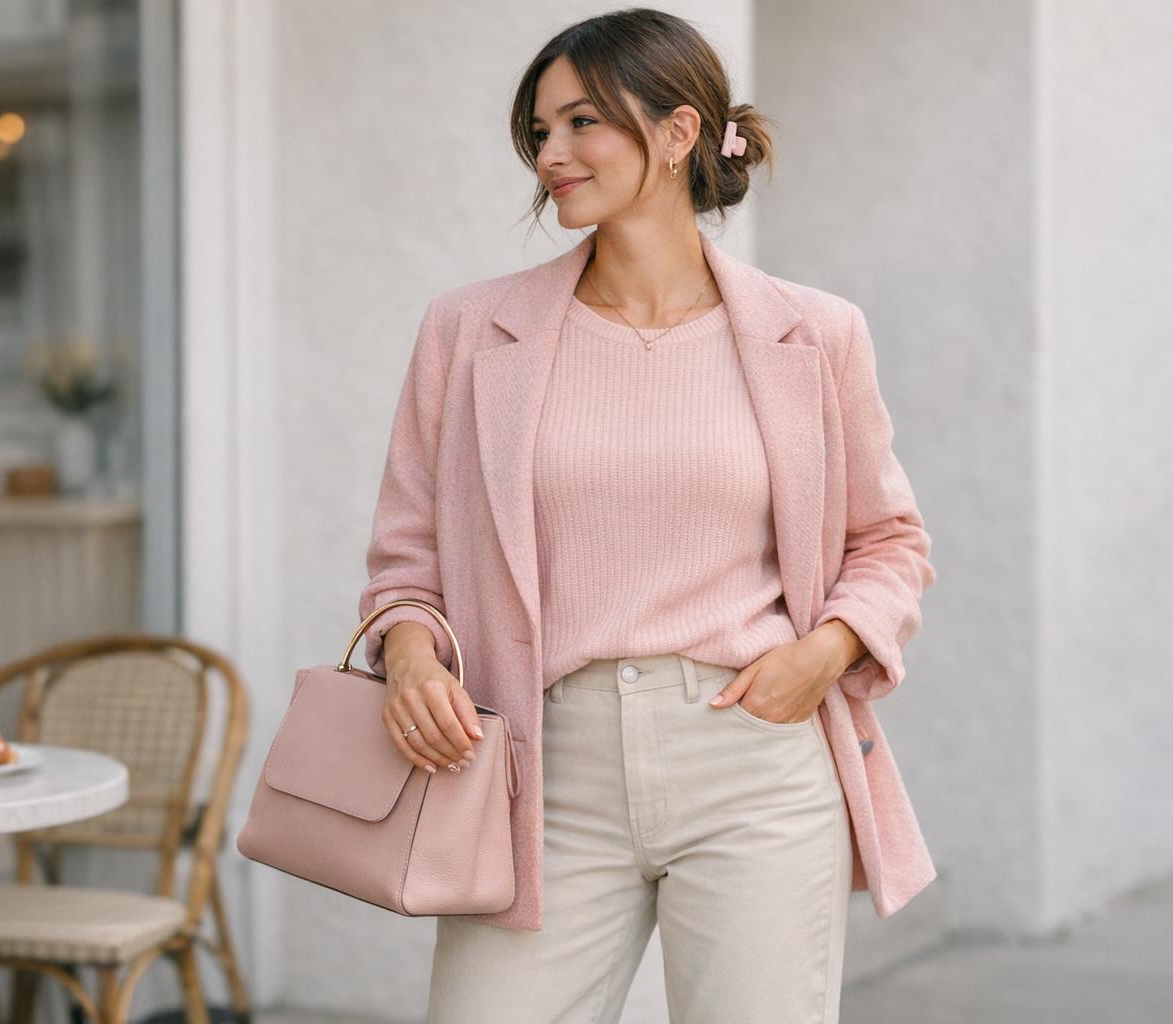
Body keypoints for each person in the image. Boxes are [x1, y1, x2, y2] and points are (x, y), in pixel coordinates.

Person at [358, 9, 938, 1023]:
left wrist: (827, 650)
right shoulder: (468, 332)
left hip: (753, 758)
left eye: (583, 122)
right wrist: (408, 657)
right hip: (547, 767)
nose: (553, 154)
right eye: (539, 131)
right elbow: (407, 559)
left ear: (677, 134)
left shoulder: (817, 335)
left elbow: (889, 542)